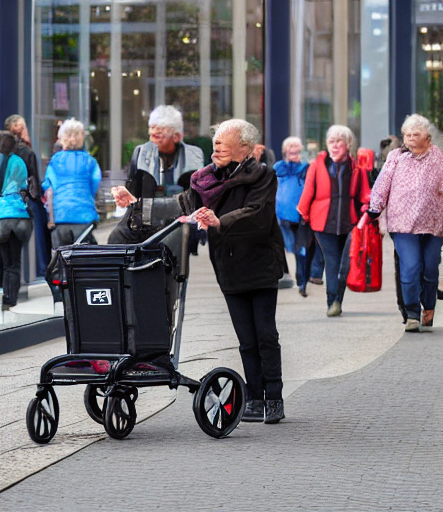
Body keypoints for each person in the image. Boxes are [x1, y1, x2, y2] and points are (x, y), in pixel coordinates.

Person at [113, 119, 286, 424]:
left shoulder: (263, 176)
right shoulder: (205, 180)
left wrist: (220, 221)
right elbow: (181, 203)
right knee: (246, 339)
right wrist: (137, 204)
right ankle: (255, 398)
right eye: (215, 142)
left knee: (265, 335)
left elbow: (257, 214)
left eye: (223, 142)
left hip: (260, 265)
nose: (216, 147)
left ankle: (274, 398)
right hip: (229, 266)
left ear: (244, 147)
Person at [366, 114, 443, 332]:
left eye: (415, 134)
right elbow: (382, 183)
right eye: (407, 135)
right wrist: (375, 207)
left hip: (433, 223)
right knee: (410, 268)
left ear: (427, 137)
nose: (409, 138)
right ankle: (411, 313)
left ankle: (428, 307)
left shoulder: (438, 157)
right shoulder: (395, 157)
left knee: (430, 270)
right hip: (403, 224)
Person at [298, 125, 371, 317]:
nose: (335, 145)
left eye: (339, 141)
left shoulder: (357, 168)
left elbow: (365, 196)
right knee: (332, 261)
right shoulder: (317, 165)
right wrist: (303, 215)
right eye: (331, 141)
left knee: (345, 265)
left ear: (348, 144)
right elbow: (308, 192)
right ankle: (333, 301)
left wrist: (367, 211)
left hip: (349, 223)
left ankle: (338, 298)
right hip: (323, 222)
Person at [108, 105, 204, 244]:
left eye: (159, 134)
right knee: (116, 237)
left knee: (170, 246)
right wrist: (125, 194)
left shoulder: (193, 157)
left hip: (176, 221)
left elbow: (194, 200)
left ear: (176, 136)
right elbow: (133, 192)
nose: (153, 138)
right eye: (151, 132)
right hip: (143, 219)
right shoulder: (141, 153)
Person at [0, 131, 33, 309]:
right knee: (14, 263)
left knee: (3, 259)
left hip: (0, 216)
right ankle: (11, 300)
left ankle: (1, 296)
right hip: (19, 216)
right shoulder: (18, 161)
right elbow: (24, 187)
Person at [42, 119, 102, 249]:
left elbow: (49, 189)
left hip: (61, 217)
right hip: (84, 218)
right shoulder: (90, 161)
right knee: (83, 261)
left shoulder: (55, 161)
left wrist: (51, 219)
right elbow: (94, 185)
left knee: (61, 261)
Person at [5, 114, 51, 278]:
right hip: (28, 200)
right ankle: (41, 268)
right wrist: (40, 197)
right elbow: (33, 181)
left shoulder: (2, 153)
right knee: (40, 229)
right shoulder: (26, 152)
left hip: (8, 201)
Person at [273, 136, 312, 296]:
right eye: (290, 146)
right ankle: (295, 276)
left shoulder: (306, 167)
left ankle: (302, 278)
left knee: (301, 247)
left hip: (301, 213)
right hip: (283, 213)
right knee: (289, 247)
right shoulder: (278, 167)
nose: (294, 148)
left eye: (296, 146)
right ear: (285, 150)